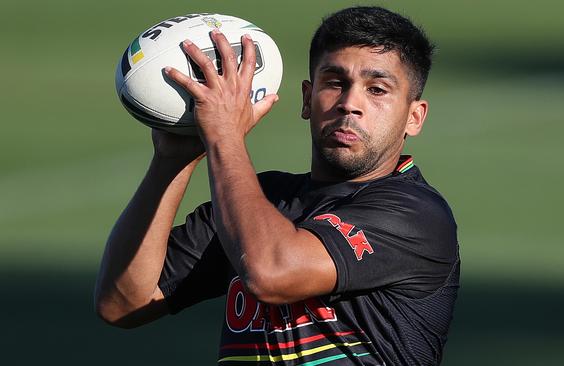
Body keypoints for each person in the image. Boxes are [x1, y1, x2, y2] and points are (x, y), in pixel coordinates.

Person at [95, 6, 460, 365]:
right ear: (306, 98)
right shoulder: (260, 199)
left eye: (377, 89)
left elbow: (269, 272)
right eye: (335, 83)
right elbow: (124, 302)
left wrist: (223, 134)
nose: (350, 104)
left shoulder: (416, 215)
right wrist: (171, 161)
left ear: (414, 117)